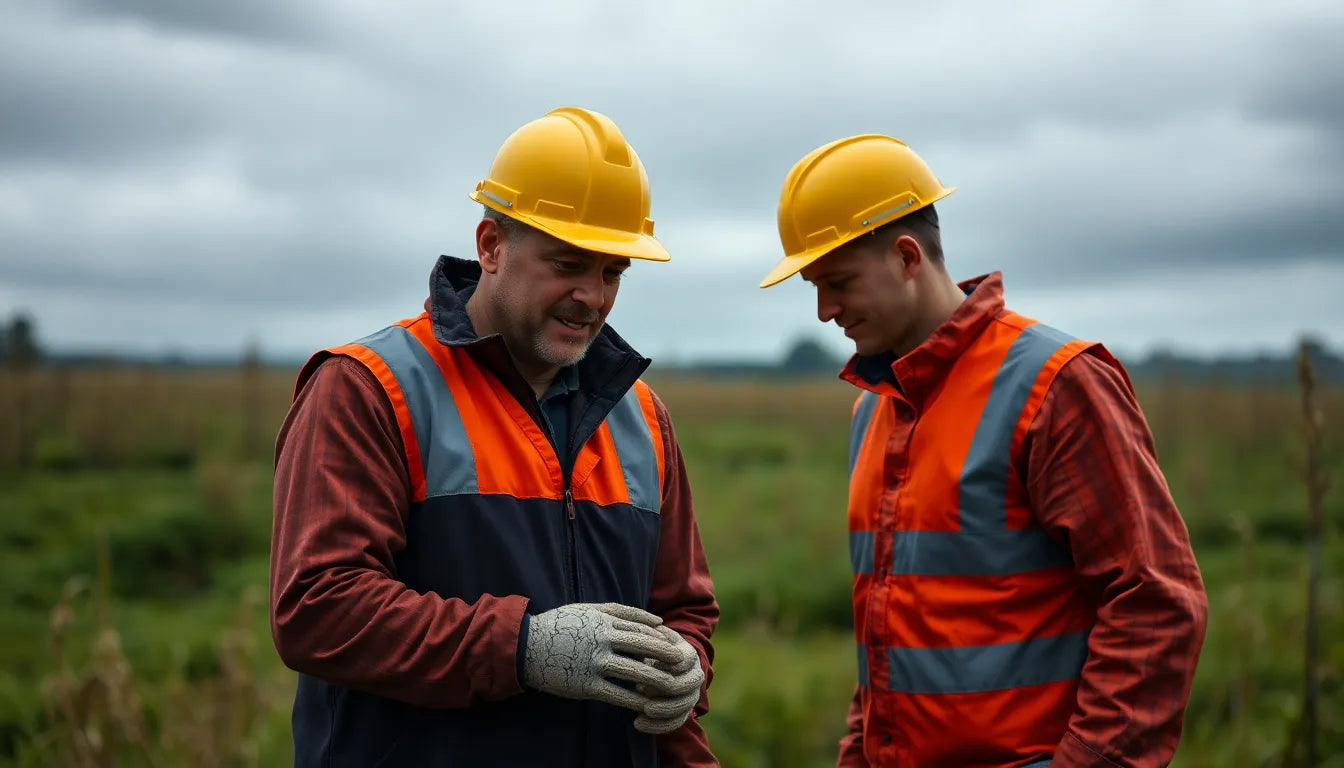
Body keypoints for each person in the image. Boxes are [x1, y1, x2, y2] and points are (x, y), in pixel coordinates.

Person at [269, 106, 719, 768]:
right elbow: (318, 608)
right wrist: (522, 648)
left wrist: (688, 665)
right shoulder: (370, 389)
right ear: (490, 246)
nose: (592, 296)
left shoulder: (643, 416)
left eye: (613, 272)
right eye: (569, 264)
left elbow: (682, 609)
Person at [758, 134, 1209, 767]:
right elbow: (886, 642)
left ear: (908, 257)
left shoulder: (1056, 384)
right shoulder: (873, 411)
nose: (824, 310)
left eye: (836, 282)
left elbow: (1155, 605)